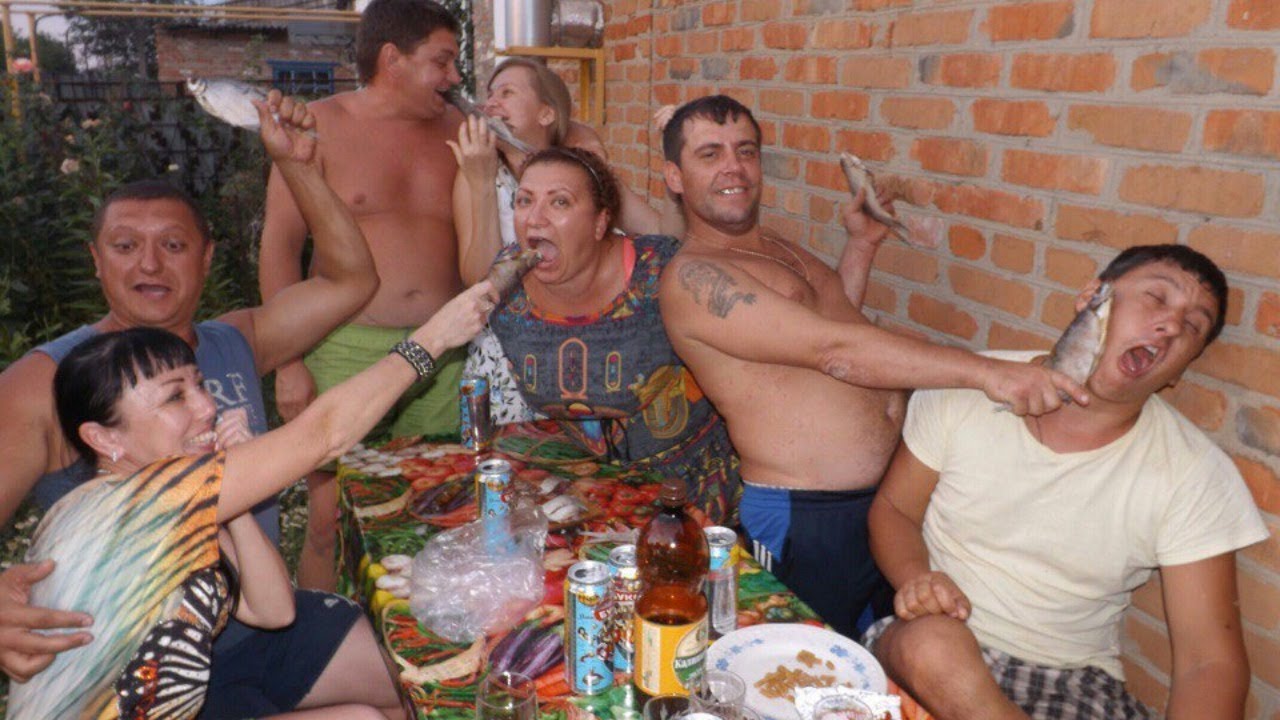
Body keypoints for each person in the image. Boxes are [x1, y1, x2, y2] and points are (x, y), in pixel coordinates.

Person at [656, 95, 1087, 637]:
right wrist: (988, 373)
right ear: (675, 177)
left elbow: (837, 321)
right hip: (806, 518)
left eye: (745, 151)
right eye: (710, 154)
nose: (733, 167)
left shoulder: (781, 250)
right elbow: (835, 352)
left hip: (886, 506)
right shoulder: (694, 278)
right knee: (803, 663)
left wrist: (861, 245)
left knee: (877, 658)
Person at [0, 93, 376, 712]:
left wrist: (299, 168)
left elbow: (352, 281)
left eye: (173, 246)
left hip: (261, 620)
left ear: (206, 259)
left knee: (415, 687)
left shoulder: (235, 341)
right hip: (145, 671)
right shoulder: (45, 380)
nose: (149, 264)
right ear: (95, 260)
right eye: (125, 246)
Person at [10, 280, 495, 718]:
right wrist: (434, 337)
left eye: (199, 385)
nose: (207, 407)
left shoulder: (179, 499)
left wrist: (239, 490)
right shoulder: (130, 508)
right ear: (103, 438)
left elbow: (273, 611)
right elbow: (324, 434)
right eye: (175, 397)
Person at [865, 244, 1267, 720]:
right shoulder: (971, 384)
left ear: (1181, 369)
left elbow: (1208, 661)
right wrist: (917, 579)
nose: (1172, 325)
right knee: (932, 646)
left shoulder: (1193, 473)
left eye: (1193, 326)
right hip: (936, 639)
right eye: (1157, 298)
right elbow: (894, 510)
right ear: (1092, 298)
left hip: (1072, 682)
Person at [258, 0, 466, 591]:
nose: (454, 76)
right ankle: (318, 639)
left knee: (431, 513)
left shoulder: (461, 132)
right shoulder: (316, 128)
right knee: (329, 520)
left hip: (443, 352)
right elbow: (280, 245)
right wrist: (287, 361)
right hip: (343, 349)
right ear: (392, 59)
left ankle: (406, 637)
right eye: (442, 61)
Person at [487, 146, 740, 524]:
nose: (535, 218)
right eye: (524, 200)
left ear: (600, 222)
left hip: (696, 496)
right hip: (592, 497)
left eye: (559, 202)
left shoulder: (661, 272)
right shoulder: (508, 290)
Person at [450, 57, 668, 424]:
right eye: (490, 95)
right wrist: (481, 182)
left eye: (507, 93)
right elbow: (478, 280)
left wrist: (674, 161)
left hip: (589, 352)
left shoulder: (585, 170)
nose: (491, 104)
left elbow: (661, 235)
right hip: (506, 358)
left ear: (546, 113)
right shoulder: (476, 173)